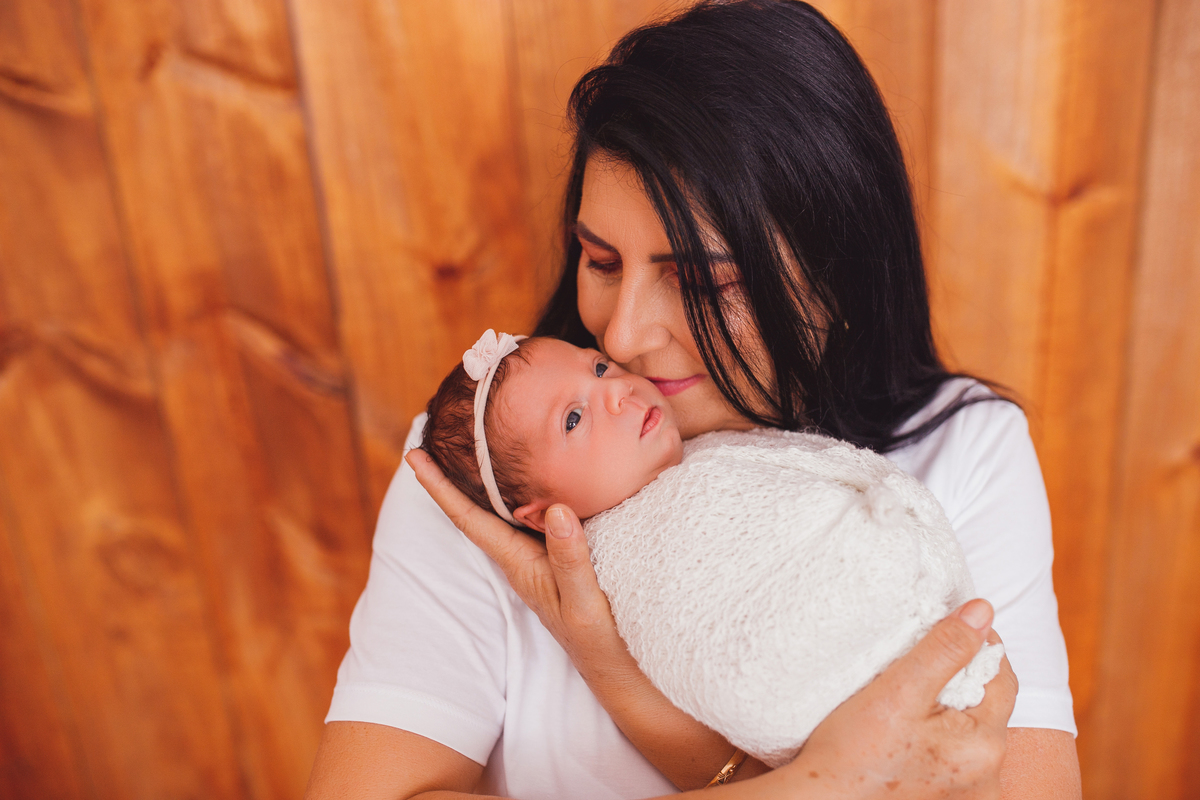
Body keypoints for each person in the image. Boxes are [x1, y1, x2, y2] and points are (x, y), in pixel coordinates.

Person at [305, 1, 1081, 797]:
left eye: (702, 281)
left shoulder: (965, 452)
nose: (625, 337)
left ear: (835, 273)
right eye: (600, 261)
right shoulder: (497, 461)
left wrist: (621, 681)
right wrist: (829, 784)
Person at [420, 330, 1004, 770]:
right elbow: (726, 659)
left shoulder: (707, 453)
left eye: (598, 368)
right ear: (539, 513)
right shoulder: (633, 560)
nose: (618, 390)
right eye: (574, 418)